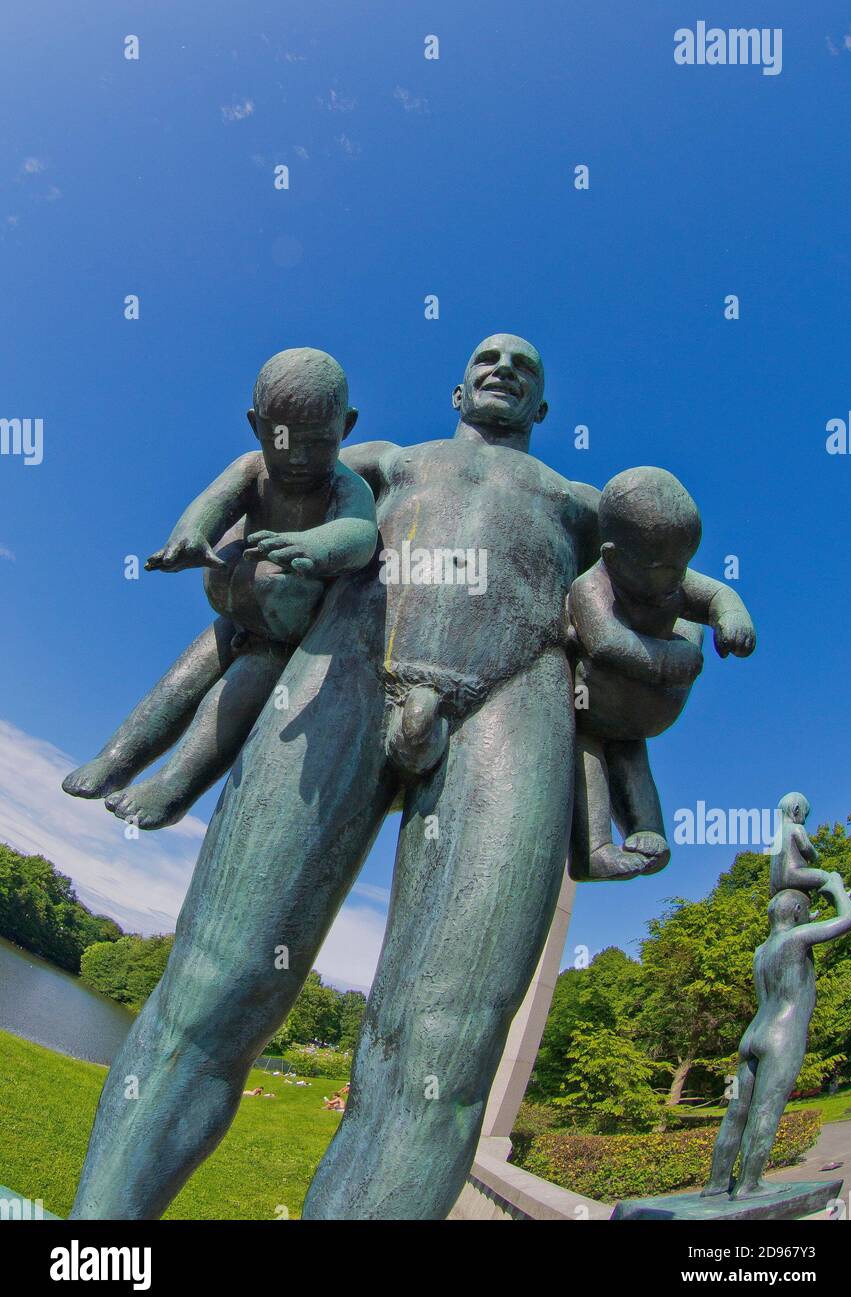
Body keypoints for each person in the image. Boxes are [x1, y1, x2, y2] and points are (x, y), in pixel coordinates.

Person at [69, 334, 713, 1223]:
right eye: (487, 358)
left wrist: (685, 640)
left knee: (440, 1056)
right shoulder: (388, 462)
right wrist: (232, 550)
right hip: (354, 661)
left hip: (511, 699)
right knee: (215, 986)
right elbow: (274, 470)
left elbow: (668, 577)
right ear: (456, 388)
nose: (504, 368)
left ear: (543, 412)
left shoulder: (578, 504)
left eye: (525, 369)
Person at [62, 349, 376, 829]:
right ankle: (117, 759)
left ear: (346, 428)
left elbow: (359, 535)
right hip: (234, 612)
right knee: (181, 680)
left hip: (280, 633)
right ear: (256, 426)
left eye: (317, 442)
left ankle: (173, 787)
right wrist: (189, 538)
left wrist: (316, 545)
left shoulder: (344, 486)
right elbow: (208, 506)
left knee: (238, 690)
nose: (297, 456)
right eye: (282, 439)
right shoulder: (252, 469)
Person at [566, 466, 756, 880]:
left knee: (632, 756)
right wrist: (673, 661)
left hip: (635, 714)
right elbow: (605, 642)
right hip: (593, 708)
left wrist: (731, 615)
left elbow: (719, 594)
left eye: (683, 563)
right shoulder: (591, 587)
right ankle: (593, 849)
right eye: (662, 567)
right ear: (613, 556)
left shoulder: (673, 579)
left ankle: (647, 829)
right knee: (589, 757)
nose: (677, 577)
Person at [702, 873, 851, 1199]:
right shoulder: (797, 939)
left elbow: (794, 930)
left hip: (752, 1037)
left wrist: (806, 917)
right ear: (798, 915)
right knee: (764, 1110)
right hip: (781, 1035)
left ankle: (716, 1183)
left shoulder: (761, 950)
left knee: (735, 1112)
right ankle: (749, 1184)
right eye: (804, 912)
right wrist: (837, 889)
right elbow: (850, 919)